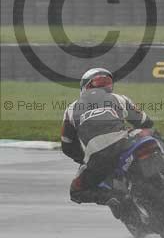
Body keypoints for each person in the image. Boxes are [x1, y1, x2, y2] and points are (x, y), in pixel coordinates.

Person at [60, 67, 156, 218]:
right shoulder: (119, 98)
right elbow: (145, 121)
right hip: (125, 145)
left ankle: (110, 197)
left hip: (98, 158)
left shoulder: (71, 109)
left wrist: (83, 159)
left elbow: (67, 145)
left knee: (76, 191)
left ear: (84, 87)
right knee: (152, 134)